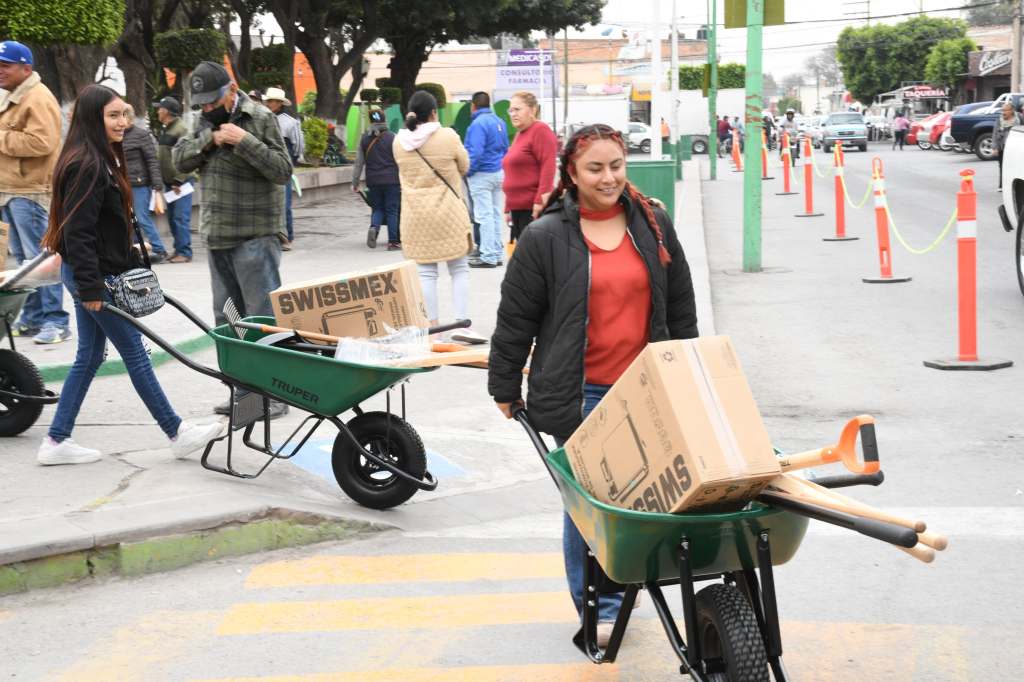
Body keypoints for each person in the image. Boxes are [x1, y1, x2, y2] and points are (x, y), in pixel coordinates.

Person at [488, 123, 698, 647]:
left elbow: (679, 302)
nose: (608, 178)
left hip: (645, 388)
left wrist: (688, 367)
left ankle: (622, 585)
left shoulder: (652, 222)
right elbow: (516, 318)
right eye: (595, 168)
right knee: (589, 502)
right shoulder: (545, 237)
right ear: (572, 174)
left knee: (641, 495)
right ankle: (598, 606)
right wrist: (504, 385)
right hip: (581, 392)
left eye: (616, 166)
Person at [37, 84, 223, 466]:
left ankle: (56, 440)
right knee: (135, 353)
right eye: (113, 115)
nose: (123, 122)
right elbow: (78, 233)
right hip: (95, 277)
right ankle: (176, 432)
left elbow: (98, 226)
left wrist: (128, 252)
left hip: (96, 271)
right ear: (93, 119)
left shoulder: (99, 157)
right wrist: (90, 287)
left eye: (125, 114)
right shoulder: (87, 164)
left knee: (90, 356)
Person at [173, 60, 292, 419]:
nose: (208, 107)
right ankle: (244, 395)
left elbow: (283, 170)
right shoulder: (201, 122)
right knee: (228, 322)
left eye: (214, 100)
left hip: (255, 237)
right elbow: (178, 160)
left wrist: (245, 141)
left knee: (261, 320)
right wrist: (210, 139)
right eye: (203, 103)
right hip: (217, 237)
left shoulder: (260, 118)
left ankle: (273, 396)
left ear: (232, 90)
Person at [393, 90, 485, 344]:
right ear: (434, 112)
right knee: (459, 269)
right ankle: (462, 323)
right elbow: (465, 166)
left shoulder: (398, 142)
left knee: (426, 273)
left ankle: (433, 330)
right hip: (448, 213)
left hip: (415, 216)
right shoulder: (447, 136)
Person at [0, 40, 70, 344]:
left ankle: (56, 321)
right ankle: (32, 317)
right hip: (12, 191)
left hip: (31, 192)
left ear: (26, 68)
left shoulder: (37, 97)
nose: (0, 71)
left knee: (41, 260)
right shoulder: (15, 95)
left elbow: (42, 142)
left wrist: (1, 137)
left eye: (5, 65)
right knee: (24, 262)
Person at [501, 91, 557, 245]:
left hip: (532, 208)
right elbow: (513, 173)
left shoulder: (540, 130)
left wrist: (540, 201)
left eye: (517, 109)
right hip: (517, 208)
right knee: (524, 254)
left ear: (533, 110)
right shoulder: (520, 134)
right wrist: (508, 207)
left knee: (536, 254)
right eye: (511, 110)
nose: (513, 114)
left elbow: (548, 167)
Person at [465, 91, 509, 268]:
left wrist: (468, 171)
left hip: (481, 174)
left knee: (484, 216)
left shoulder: (477, 124)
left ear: (473, 105)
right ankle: (497, 253)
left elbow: (475, 152)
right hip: (498, 172)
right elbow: (505, 148)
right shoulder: (499, 121)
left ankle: (488, 255)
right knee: (495, 214)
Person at [121, 104, 167, 264]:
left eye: (122, 116)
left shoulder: (141, 135)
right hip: (123, 184)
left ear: (129, 118)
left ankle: (159, 249)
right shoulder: (116, 136)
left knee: (141, 218)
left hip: (140, 184)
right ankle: (135, 251)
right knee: (128, 220)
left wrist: (157, 186)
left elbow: (152, 160)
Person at [352, 108, 401, 250]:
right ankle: (393, 242)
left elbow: (358, 163)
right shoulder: (393, 137)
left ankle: (374, 227)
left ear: (371, 121)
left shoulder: (364, 139)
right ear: (384, 120)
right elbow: (401, 160)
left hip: (373, 181)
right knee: (392, 210)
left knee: (377, 208)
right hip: (392, 180)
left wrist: (355, 182)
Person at [153, 96, 195, 262]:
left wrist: (179, 180)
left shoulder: (181, 129)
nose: (157, 111)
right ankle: (178, 250)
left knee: (180, 217)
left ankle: (185, 252)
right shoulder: (167, 129)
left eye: (160, 108)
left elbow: (189, 156)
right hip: (170, 183)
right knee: (172, 218)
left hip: (181, 183)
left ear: (166, 111)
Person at [263, 86, 303, 249]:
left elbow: (298, 145)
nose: (269, 104)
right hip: (265, 164)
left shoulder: (290, 122)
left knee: (284, 204)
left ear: (280, 103)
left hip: (283, 166)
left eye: (273, 101)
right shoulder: (261, 118)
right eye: (268, 101)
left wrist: (290, 162)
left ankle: (288, 237)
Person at [994, 103, 1020, 190]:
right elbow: (995, 133)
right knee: (1002, 166)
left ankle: (1016, 186)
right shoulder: (999, 120)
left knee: (1015, 166)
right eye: (1002, 110)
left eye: (1005, 110)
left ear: (1012, 111)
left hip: (1015, 147)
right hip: (1003, 146)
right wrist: (995, 147)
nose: (1003, 112)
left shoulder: (1019, 119)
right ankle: (1002, 185)